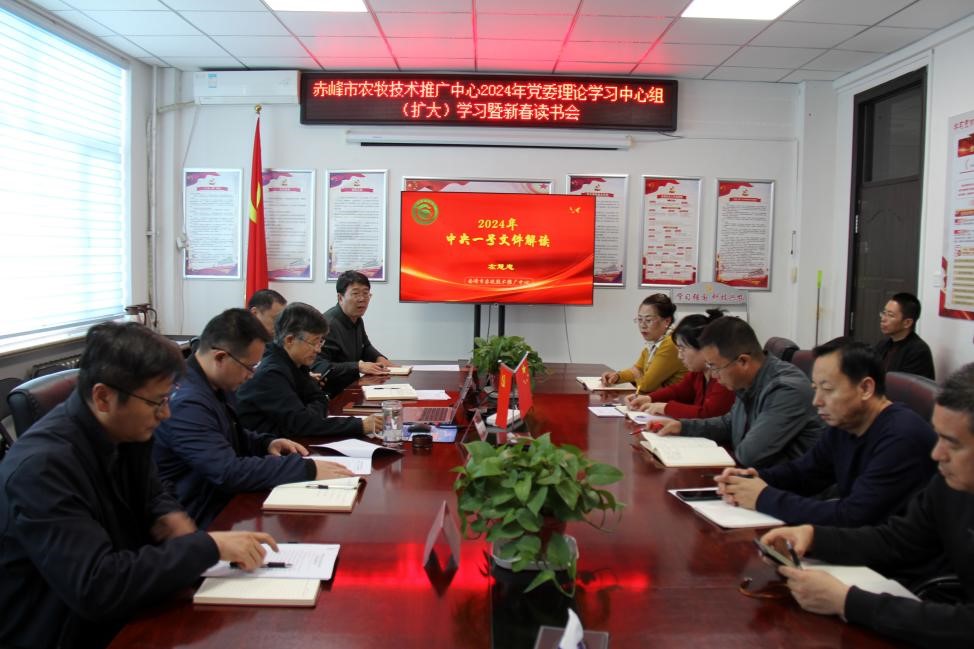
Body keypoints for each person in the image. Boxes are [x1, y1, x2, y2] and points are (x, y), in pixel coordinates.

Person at [0, 322, 279, 649]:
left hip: (127, 607)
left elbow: (153, 490)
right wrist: (208, 547)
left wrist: (168, 513)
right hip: (64, 631)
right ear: (103, 397)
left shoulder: (125, 428)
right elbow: (97, 586)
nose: (166, 414)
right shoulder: (42, 469)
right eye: (157, 402)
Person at [761, 363, 974, 647]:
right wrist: (813, 537)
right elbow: (897, 540)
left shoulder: (905, 437)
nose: (937, 454)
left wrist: (847, 602)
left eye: (952, 443)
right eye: (939, 437)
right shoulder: (948, 485)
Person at [153, 308, 353, 528]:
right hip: (200, 518)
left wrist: (265, 443)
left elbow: (225, 434)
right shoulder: (187, 402)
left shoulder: (214, 383)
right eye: (249, 367)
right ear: (220, 357)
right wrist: (306, 469)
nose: (252, 375)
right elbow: (227, 471)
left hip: (224, 500)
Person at [716, 339, 936, 526]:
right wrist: (751, 479)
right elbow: (805, 473)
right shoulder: (846, 423)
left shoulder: (902, 437)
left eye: (828, 389)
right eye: (815, 389)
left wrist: (763, 497)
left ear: (865, 388)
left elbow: (854, 516)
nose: (816, 401)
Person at [657, 317, 824, 468]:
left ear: (743, 361)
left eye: (715, 367)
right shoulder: (748, 380)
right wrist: (683, 427)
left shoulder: (786, 390)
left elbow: (750, 455)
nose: (714, 375)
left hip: (790, 488)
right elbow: (730, 423)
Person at [237, 302, 383, 438]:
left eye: (321, 342)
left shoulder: (296, 363)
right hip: (264, 449)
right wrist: (360, 425)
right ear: (289, 340)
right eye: (314, 342)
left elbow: (319, 400)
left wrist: (310, 413)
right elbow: (303, 424)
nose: (318, 350)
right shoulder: (271, 373)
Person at [626, 309, 734, 419]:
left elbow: (708, 414)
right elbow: (678, 391)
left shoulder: (723, 378)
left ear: (704, 347)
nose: (680, 356)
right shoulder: (698, 373)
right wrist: (649, 398)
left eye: (683, 349)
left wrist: (665, 408)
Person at [312, 270, 392, 395]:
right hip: (333, 395)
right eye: (355, 294)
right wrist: (358, 366)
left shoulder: (356, 318)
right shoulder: (327, 325)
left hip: (352, 388)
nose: (362, 299)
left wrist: (380, 358)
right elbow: (319, 366)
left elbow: (365, 347)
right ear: (340, 297)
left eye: (366, 293)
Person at [600, 293, 686, 394]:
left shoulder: (671, 343)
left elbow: (646, 386)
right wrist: (617, 376)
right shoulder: (655, 341)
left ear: (667, 321)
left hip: (671, 401)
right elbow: (638, 369)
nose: (642, 325)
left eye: (648, 320)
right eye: (640, 319)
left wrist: (637, 374)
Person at [874, 292, 935, 379]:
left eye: (890, 315)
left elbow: (904, 385)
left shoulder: (918, 351)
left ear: (907, 323)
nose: (883, 319)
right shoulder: (883, 345)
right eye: (884, 313)